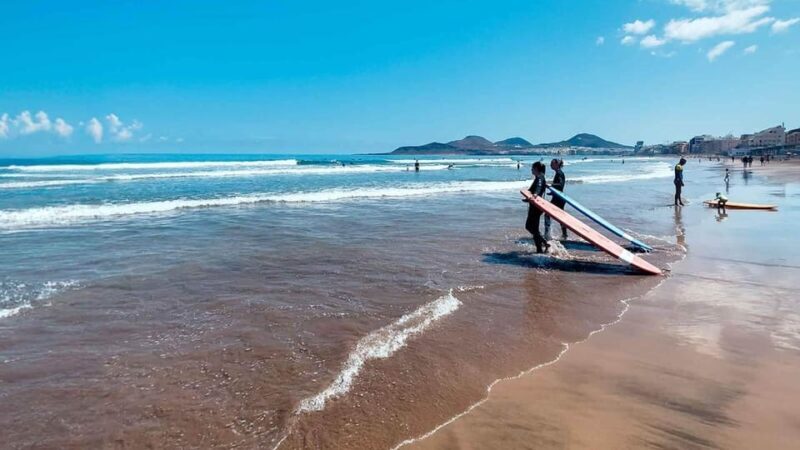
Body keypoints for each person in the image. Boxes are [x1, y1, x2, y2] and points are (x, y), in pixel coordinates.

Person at [524, 162, 549, 253]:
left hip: (536, 207)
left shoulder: (540, 177)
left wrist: (535, 195)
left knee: (530, 227)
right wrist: (528, 197)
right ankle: (540, 248)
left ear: (537, 169)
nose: (531, 170)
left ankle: (543, 244)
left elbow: (538, 188)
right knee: (533, 228)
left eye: (532, 168)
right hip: (534, 205)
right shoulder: (539, 177)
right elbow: (531, 190)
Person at [544, 158, 568, 241]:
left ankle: (547, 234)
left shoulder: (559, 173)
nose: (550, 165)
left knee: (547, 214)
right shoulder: (558, 172)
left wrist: (550, 185)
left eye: (552, 163)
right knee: (560, 217)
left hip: (559, 199)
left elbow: (560, 185)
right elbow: (559, 188)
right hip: (558, 197)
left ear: (557, 164)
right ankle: (564, 234)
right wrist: (552, 192)